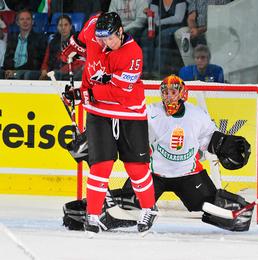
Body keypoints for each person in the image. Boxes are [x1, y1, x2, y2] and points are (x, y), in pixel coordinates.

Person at [62, 74, 253, 232]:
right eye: (165, 92)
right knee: (131, 205)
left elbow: (210, 140)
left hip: (189, 174)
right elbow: (123, 124)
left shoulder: (197, 116)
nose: (168, 96)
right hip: (153, 175)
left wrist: (225, 145)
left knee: (212, 206)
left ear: (183, 94)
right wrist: (94, 138)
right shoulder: (150, 112)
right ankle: (90, 210)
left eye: (173, 92)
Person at [61, 12, 157, 235]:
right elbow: (84, 39)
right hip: (98, 113)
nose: (106, 43)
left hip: (129, 112)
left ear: (121, 32)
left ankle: (149, 208)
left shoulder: (133, 54)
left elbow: (117, 93)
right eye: (102, 39)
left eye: (111, 38)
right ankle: (93, 216)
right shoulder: (95, 26)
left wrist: (81, 95)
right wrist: (74, 45)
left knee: (136, 167)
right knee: (100, 165)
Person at [2, 9, 47, 80]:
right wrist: (8, 70)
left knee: (20, 74)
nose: (25, 22)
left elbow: (35, 63)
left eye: (28, 19)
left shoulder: (39, 39)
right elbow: (7, 59)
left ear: (32, 22)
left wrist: (15, 71)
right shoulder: (13, 39)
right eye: (22, 19)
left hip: (28, 71)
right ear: (17, 22)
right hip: (12, 71)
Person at [39, 15, 83, 81]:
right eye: (60, 25)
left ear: (70, 26)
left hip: (68, 72)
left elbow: (79, 62)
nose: (63, 28)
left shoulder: (76, 42)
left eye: (66, 25)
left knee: (55, 75)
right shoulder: (52, 42)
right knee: (29, 75)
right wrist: (44, 69)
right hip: (52, 71)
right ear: (57, 27)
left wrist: (61, 71)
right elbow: (46, 60)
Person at [174, 0, 208, 65]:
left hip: (213, 28)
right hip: (197, 28)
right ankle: (191, 68)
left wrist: (200, 30)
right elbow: (191, 18)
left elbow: (220, 21)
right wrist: (193, 29)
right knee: (181, 34)